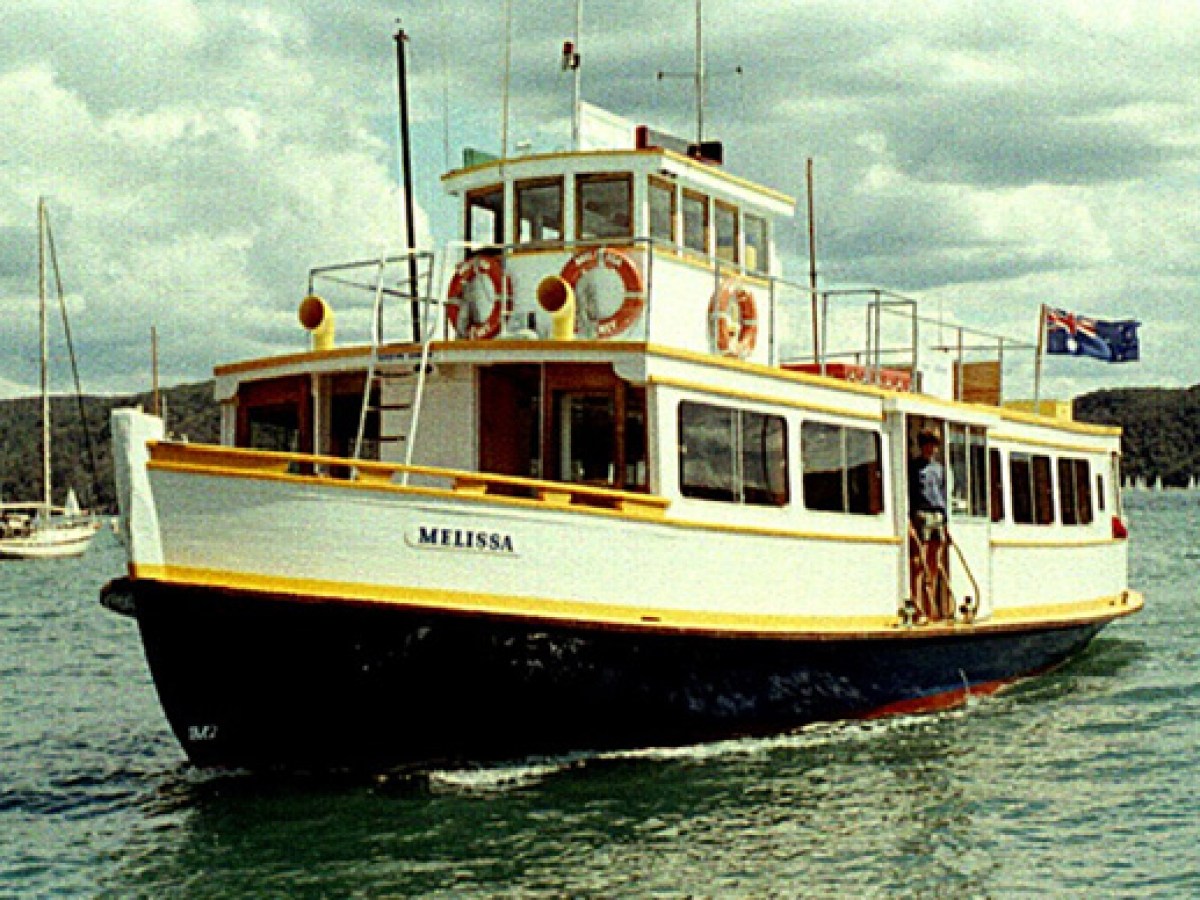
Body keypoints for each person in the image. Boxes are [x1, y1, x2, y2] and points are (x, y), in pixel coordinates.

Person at [908, 429, 948, 622]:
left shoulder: (939, 469)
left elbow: (943, 494)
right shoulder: (913, 468)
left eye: (934, 445)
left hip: (938, 514)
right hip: (921, 514)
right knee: (919, 562)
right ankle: (918, 607)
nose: (931, 449)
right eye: (928, 444)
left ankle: (931, 605)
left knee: (934, 562)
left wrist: (946, 522)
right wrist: (908, 520)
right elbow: (908, 494)